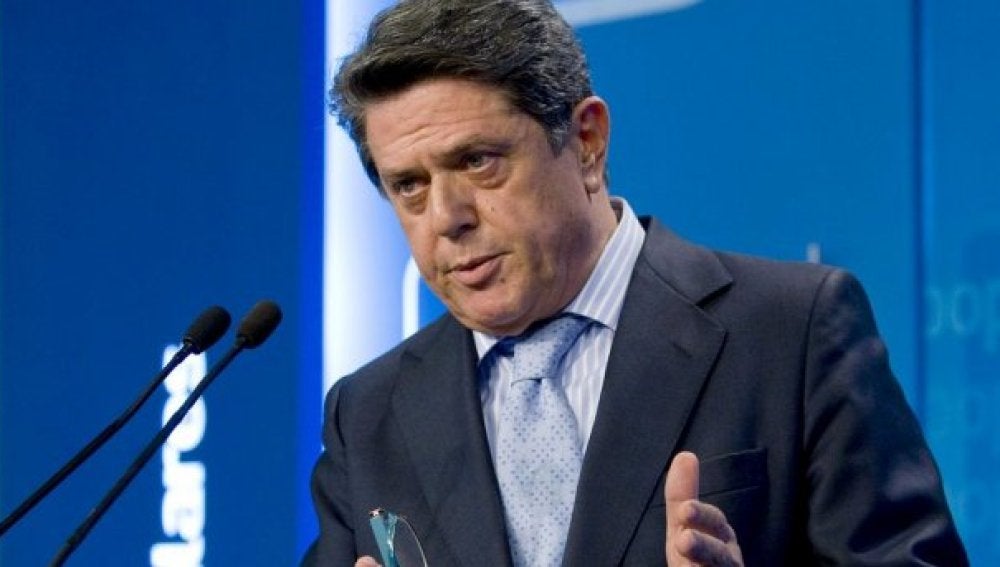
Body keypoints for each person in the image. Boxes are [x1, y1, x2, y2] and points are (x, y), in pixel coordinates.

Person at [303, 0, 968, 565]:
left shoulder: (792, 330)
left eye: (478, 161)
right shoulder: (368, 413)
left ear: (587, 141)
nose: (446, 217)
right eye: (409, 186)